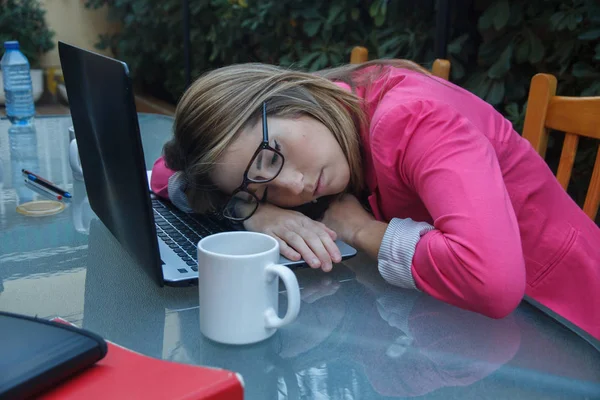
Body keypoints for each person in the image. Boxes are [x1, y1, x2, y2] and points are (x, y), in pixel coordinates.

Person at [150, 60, 600, 340]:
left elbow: (492, 282)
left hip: (568, 320)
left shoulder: (411, 119)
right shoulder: (330, 116)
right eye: (262, 186)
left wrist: (362, 230)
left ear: (289, 98)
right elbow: (167, 172)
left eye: (272, 158)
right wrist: (257, 212)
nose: (295, 186)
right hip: (474, 328)